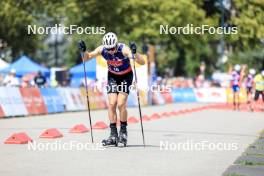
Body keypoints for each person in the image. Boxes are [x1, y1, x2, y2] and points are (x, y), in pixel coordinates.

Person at [78, 32, 145, 146]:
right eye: (108, 49)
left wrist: (135, 52)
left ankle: (123, 132)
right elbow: (87, 57)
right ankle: (113, 135)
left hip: (126, 76)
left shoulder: (123, 49)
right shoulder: (102, 49)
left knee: (121, 104)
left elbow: (141, 62)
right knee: (112, 104)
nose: (111, 51)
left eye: (113, 48)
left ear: (116, 44)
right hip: (113, 76)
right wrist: (84, 51)